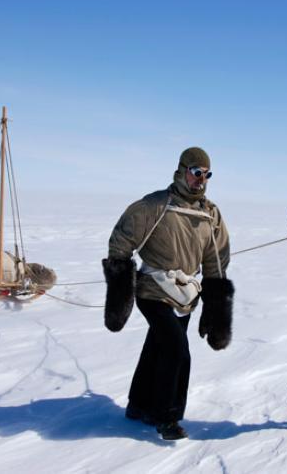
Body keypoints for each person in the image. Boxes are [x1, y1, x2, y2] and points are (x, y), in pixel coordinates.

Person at [102, 147, 234, 440]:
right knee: (177, 351)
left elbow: (216, 258)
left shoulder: (210, 214)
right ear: (182, 170)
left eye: (207, 174)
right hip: (152, 289)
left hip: (185, 294)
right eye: (196, 172)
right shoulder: (155, 205)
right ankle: (167, 417)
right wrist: (121, 285)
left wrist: (215, 306)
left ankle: (138, 405)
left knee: (157, 347)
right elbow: (122, 240)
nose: (201, 179)